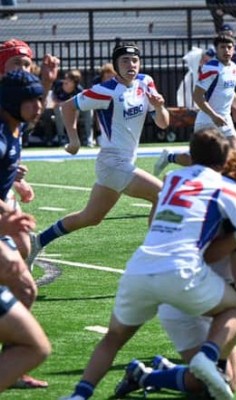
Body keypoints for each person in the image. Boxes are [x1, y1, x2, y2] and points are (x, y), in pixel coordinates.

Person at [60, 128, 236, 400]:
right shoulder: (228, 187)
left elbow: (153, 222)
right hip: (183, 272)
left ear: (191, 155)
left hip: (141, 267)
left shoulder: (172, 178)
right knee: (235, 307)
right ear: (225, 158)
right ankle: (208, 355)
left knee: (113, 339)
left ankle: (79, 395)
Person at [26, 42, 170, 269]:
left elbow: (163, 124)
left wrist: (160, 108)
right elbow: (67, 106)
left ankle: (38, 241)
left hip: (122, 164)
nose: (131, 65)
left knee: (90, 218)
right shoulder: (106, 90)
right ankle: (152, 258)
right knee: (163, 195)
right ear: (115, 65)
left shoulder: (146, 82)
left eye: (134, 60)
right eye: (124, 61)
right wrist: (73, 140)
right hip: (113, 163)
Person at [0, 70, 50, 390]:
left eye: (40, 98)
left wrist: (14, 179)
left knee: (26, 288)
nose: (39, 105)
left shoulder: (13, 130)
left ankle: (12, 366)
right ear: (11, 102)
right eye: (31, 100)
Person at [153, 35, 236, 176]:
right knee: (202, 162)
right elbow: (197, 96)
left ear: (234, 49)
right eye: (222, 47)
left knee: (233, 157)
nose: (226, 50)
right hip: (207, 119)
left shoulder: (235, 68)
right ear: (216, 49)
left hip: (225, 119)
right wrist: (214, 115)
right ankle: (170, 156)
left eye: (229, 47)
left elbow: (230, 93)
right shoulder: (211, 68)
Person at [52, 69, 94, 147]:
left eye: (69, 79)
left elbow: (81, 104)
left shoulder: (78, 90)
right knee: (58, 109)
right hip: (61, 108)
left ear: (75, 82)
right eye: (66, 78)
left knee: (89, 110)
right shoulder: (58, 85)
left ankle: (89, 138)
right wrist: (61, 104)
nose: (66, 80)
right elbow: (53, 98)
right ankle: (61, 137)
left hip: (75, 110)